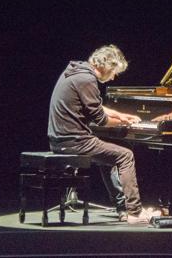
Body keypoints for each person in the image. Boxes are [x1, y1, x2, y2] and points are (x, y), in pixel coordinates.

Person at [47, 45, 160, 224]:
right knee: (125, 156)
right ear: (106, 65)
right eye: (114, 71)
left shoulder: (76, 72)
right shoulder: (86, 79)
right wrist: (125, 122)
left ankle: (123, 209)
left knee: (108, 160)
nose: (114, 76)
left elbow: (96, 107)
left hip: (59, 139)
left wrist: (120, 115)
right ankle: (135, 212)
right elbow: (100, 119)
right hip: (75, 141)